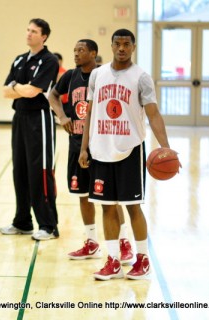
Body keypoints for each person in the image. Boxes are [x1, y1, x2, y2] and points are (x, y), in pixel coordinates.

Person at [79, 29, 175, 280]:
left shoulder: (141, 77)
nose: (121, 48)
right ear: (111, 46)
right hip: (100, 149)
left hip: (130, 149)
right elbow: (89, 112)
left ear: (133, 47)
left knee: (133, 206)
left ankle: (142, 259)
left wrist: (164, 146)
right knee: (107, 208)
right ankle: (112, 260)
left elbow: (153, 114)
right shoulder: (97, 75)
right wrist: (83, 147)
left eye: (126, 44)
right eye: (117, 44)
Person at [48, 39, 133, 263]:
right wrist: (62, 116)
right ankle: (92, 241)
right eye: (74, 50)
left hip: (100, 146)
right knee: (83, 195)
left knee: (110, 199)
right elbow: (52, 96)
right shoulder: (70, 76)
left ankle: (124, 242)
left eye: (81, 50)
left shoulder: (104, 74)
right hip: (77, 144)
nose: (76, 54)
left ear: (93, 53)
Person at [0, 18, 60, 241]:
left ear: (43, 36)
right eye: (27, 30)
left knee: (40, 172)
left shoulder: (49, 60)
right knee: (20, 170)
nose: (28, 34)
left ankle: (48, 225)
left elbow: (34, 92)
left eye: (34, 31)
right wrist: (19, 88)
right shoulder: (19, 60)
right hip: (20, 117)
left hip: (40, 119)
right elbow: (6, 91)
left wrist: (17, 87)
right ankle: (22, 221)